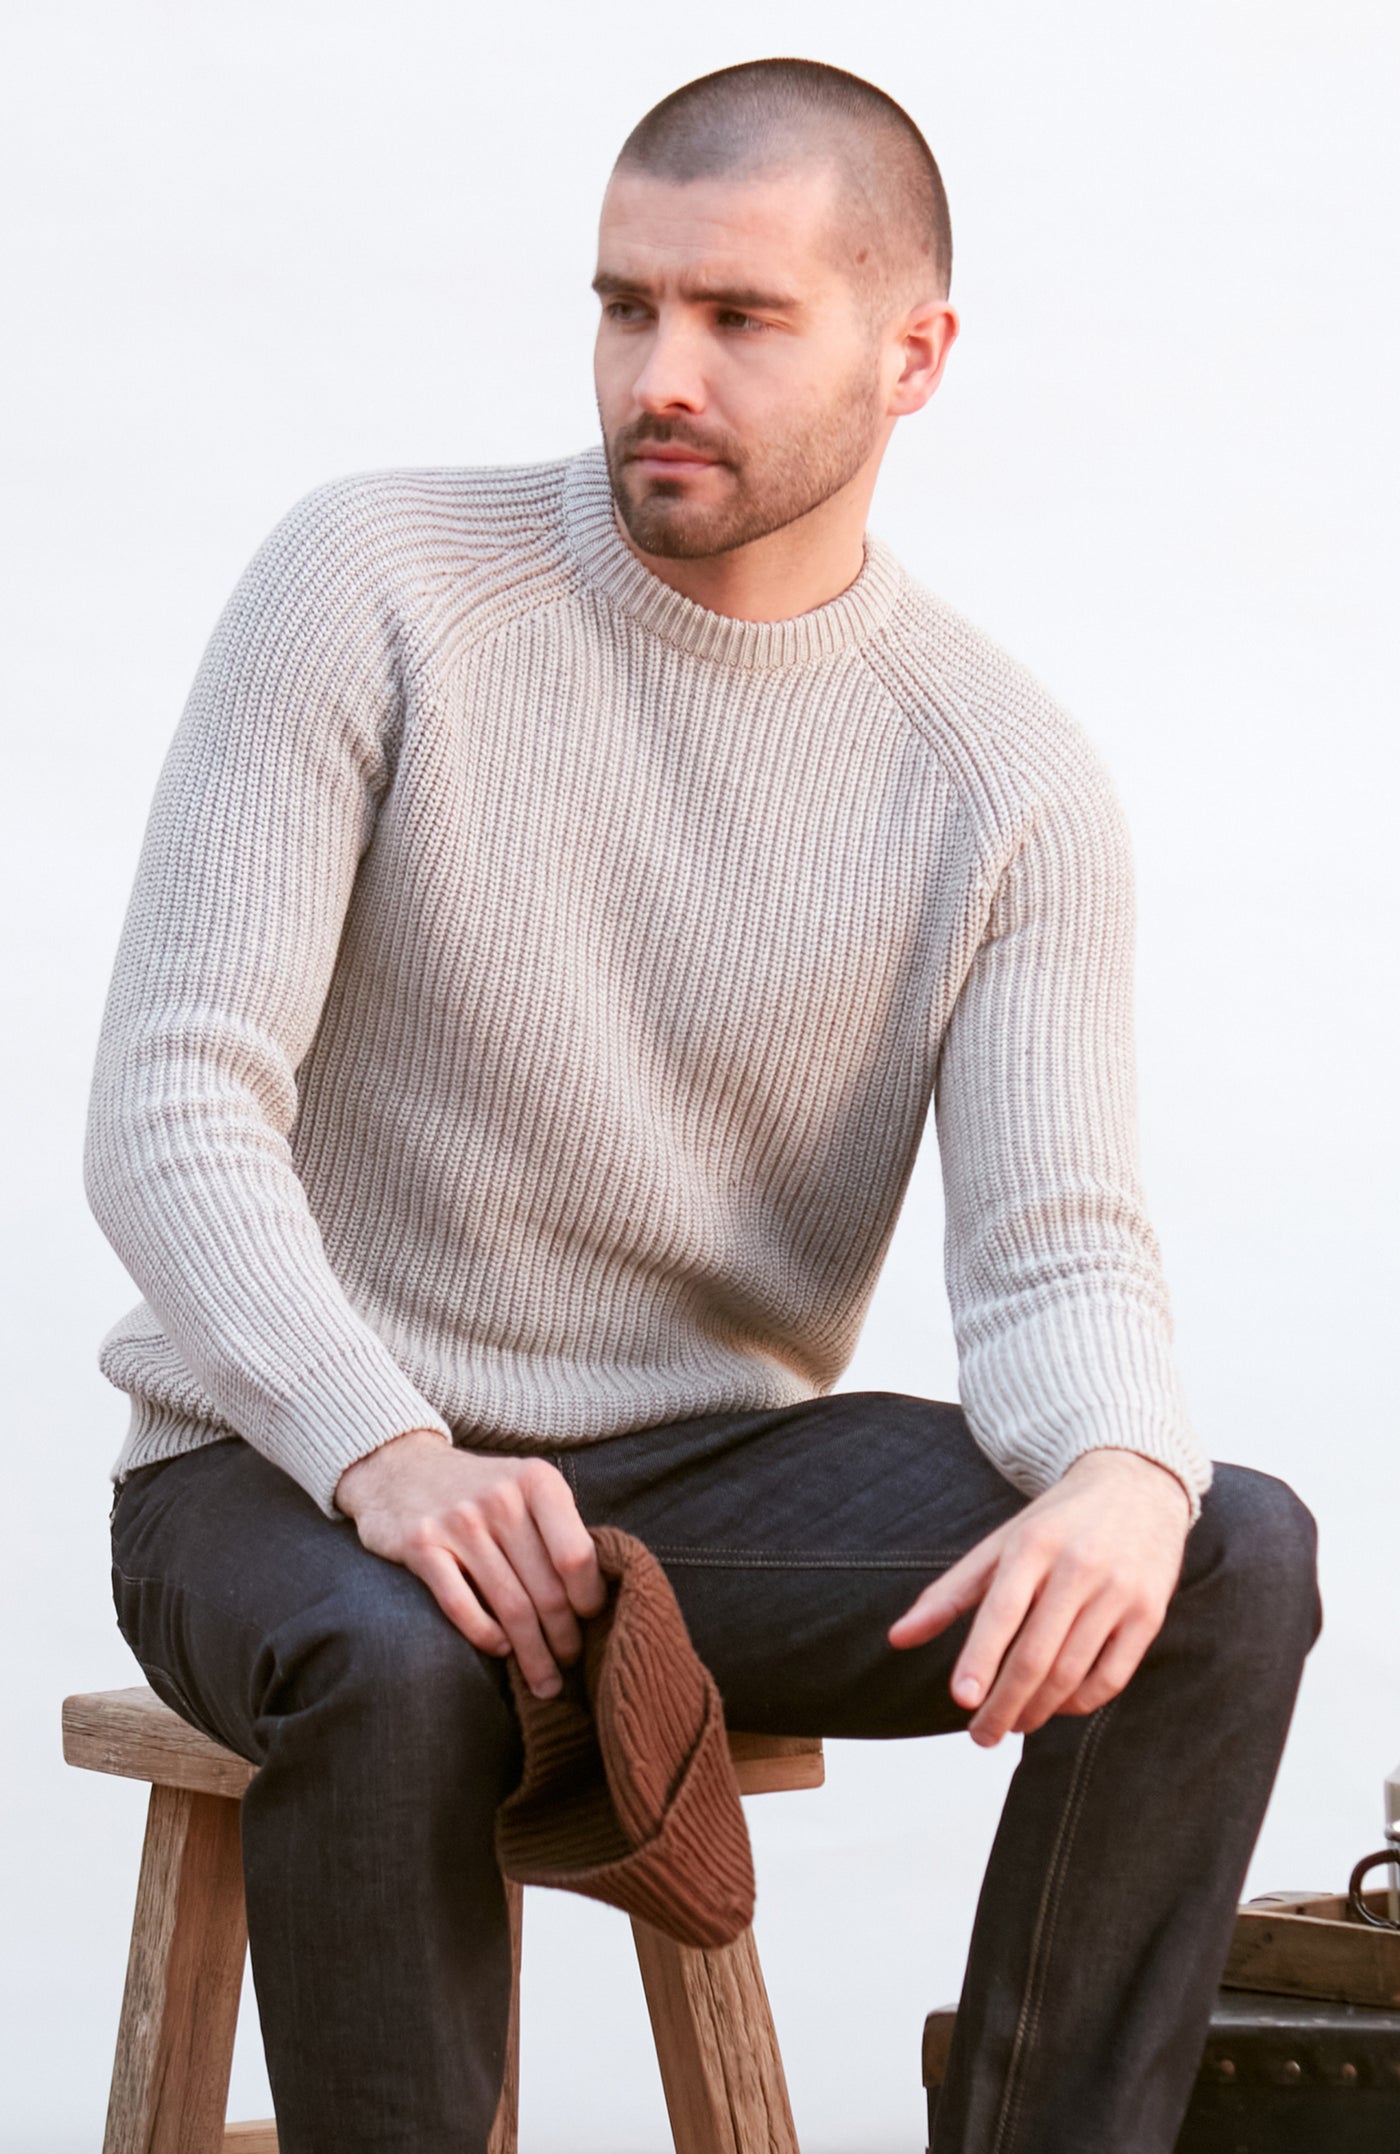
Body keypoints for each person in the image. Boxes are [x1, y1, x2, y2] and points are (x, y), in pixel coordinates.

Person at [88, 57, 1320, 2154]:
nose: (658, 372)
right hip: (283, 1468)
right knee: (395, 1661)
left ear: (912, 357)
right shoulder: (377, 581)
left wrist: (1123, 1463)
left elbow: (1054, 1252)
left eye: (740, 317)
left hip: (685, 1500)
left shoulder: (1002, 779)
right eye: (625, 303)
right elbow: (170, 1104)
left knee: (1218, 1547)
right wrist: (386, 1449)